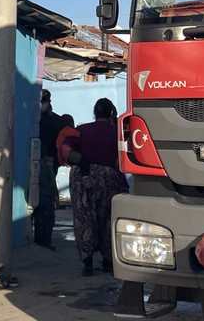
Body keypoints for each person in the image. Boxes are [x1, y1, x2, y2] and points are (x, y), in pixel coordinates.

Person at [61, 98, 128, 276]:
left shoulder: (82, 130)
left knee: (84, 219)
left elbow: (67, 147)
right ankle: (107, 261)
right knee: (108, 219)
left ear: (95, 113)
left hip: (82, 178)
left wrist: (81, 163)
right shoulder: (117, 132)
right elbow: (122, 158)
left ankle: (88, 263)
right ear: (112, 113)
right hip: (108, 178)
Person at [33, 89, 64, 250]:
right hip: (39, 160)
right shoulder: (36, 118)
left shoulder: (53, 121)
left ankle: (43, 238)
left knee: (44, 202)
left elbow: (58, 144)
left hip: (49, 161)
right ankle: (41, 237)